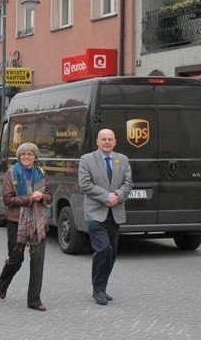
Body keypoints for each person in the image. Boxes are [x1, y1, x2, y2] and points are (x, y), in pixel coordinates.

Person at [78, 129, 133, 306]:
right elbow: (85, 184)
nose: (107, 142)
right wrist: (106, 196)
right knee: (103, 249)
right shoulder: (87, 160)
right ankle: (98, 290)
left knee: (112, 254)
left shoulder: (122, 159)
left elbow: (128, 183)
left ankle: (102, 287)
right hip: (95, 213)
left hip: (115, 213)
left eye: (110, 139)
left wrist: (117, 195)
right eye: (104, 139)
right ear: (98, 142)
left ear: (115, 142)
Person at [0, 143, 52, 312]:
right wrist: (30, 198)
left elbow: (49, 196)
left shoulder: (40, 172)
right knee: (16, 259)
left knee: (37, 261)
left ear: (35, 157)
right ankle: (4, 280)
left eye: (30, 154)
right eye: (23, 154)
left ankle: (34, 300)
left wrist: (42, 196)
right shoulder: (11, 173)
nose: (26, 157)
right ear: (19, 157)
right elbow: (8, 199)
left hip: (38, 222)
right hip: (16, 221)